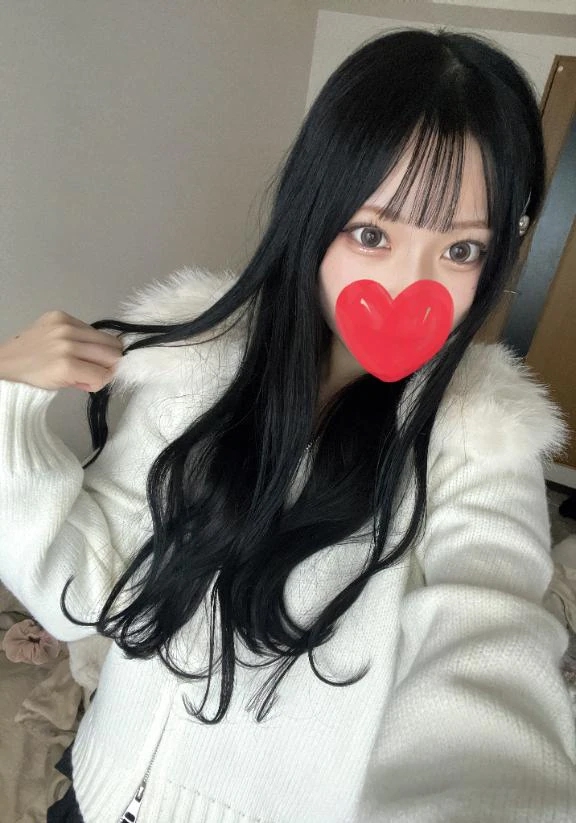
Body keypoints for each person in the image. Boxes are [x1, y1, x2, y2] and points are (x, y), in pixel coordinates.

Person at [0, 27, 575, 823]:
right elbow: (80, 594)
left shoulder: (478, 446)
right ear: (314, 212)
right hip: (96, 798)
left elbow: (488, 649)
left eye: (462, 249)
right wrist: (11, 408)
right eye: (373, 233)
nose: (410, 287)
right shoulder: (196, 373)